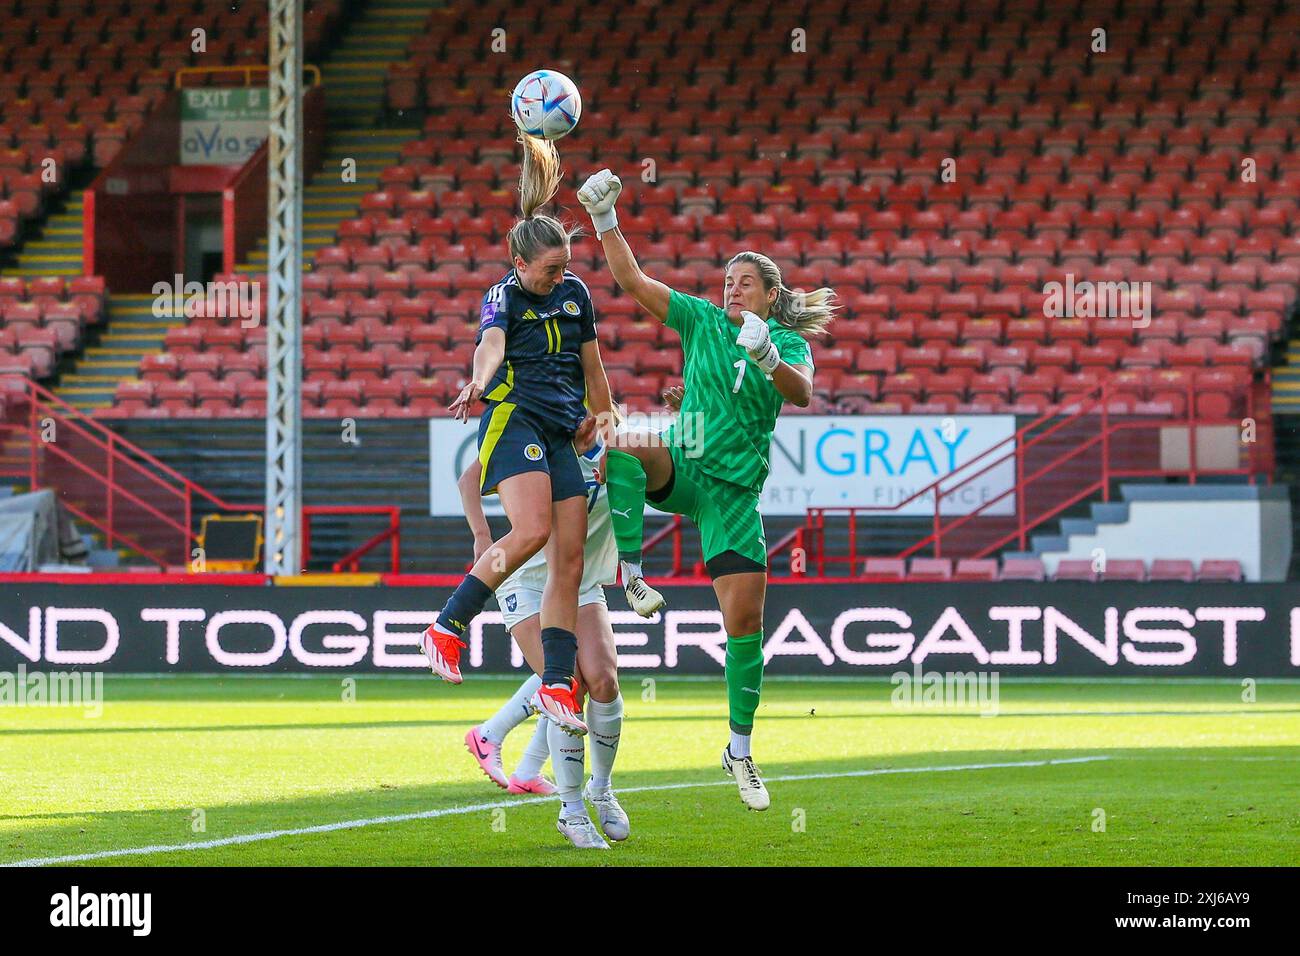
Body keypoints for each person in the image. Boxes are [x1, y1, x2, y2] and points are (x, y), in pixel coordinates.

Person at [575, 168, 836, 811]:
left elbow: (801, 394)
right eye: (727, 281)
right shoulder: (700, 320)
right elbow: (633, 283)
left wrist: (769, 359)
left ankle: (739, 750)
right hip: (688, 465)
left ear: (770, 296)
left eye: (744, 282)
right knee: (629, 441)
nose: (730, 289)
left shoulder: (785, 339)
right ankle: (632, 574)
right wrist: (607, 221)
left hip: (736, 495)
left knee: (744, 623)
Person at [420, 133, 614, 737]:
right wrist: (478, 382)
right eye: (551, 270)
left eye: (567, 268)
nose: (561, 278)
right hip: (513, 421)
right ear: (520, 265)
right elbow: (491, 345)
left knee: (570, 557)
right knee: (532, 532)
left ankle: (558, 683)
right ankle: (447, 626)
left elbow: (593, 367)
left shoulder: (575, 294)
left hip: (563, 431)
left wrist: (604, 418)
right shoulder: (502, 297)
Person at [457, 419, 633, 849]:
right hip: (527, 581)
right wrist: (482, 535)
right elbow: (470, 478)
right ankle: (572, 811)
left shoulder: (623, 443)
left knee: (605, 681)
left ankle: (601, 789)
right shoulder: (538, 435)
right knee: (565, 684)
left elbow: (672, 473)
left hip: (581, 582)